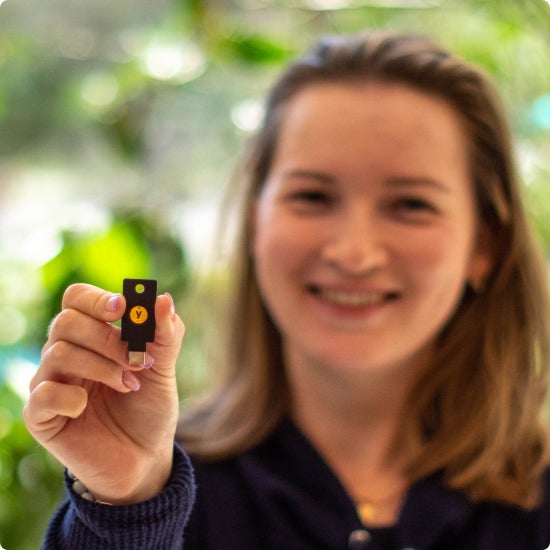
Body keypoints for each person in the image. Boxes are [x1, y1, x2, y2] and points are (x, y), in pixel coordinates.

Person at [23, 29, 550, 549]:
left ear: (486, 246)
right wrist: (127, 511)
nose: (353, 253)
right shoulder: (146, 484)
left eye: (411, 205)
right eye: (313, 196)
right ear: (257, 223)